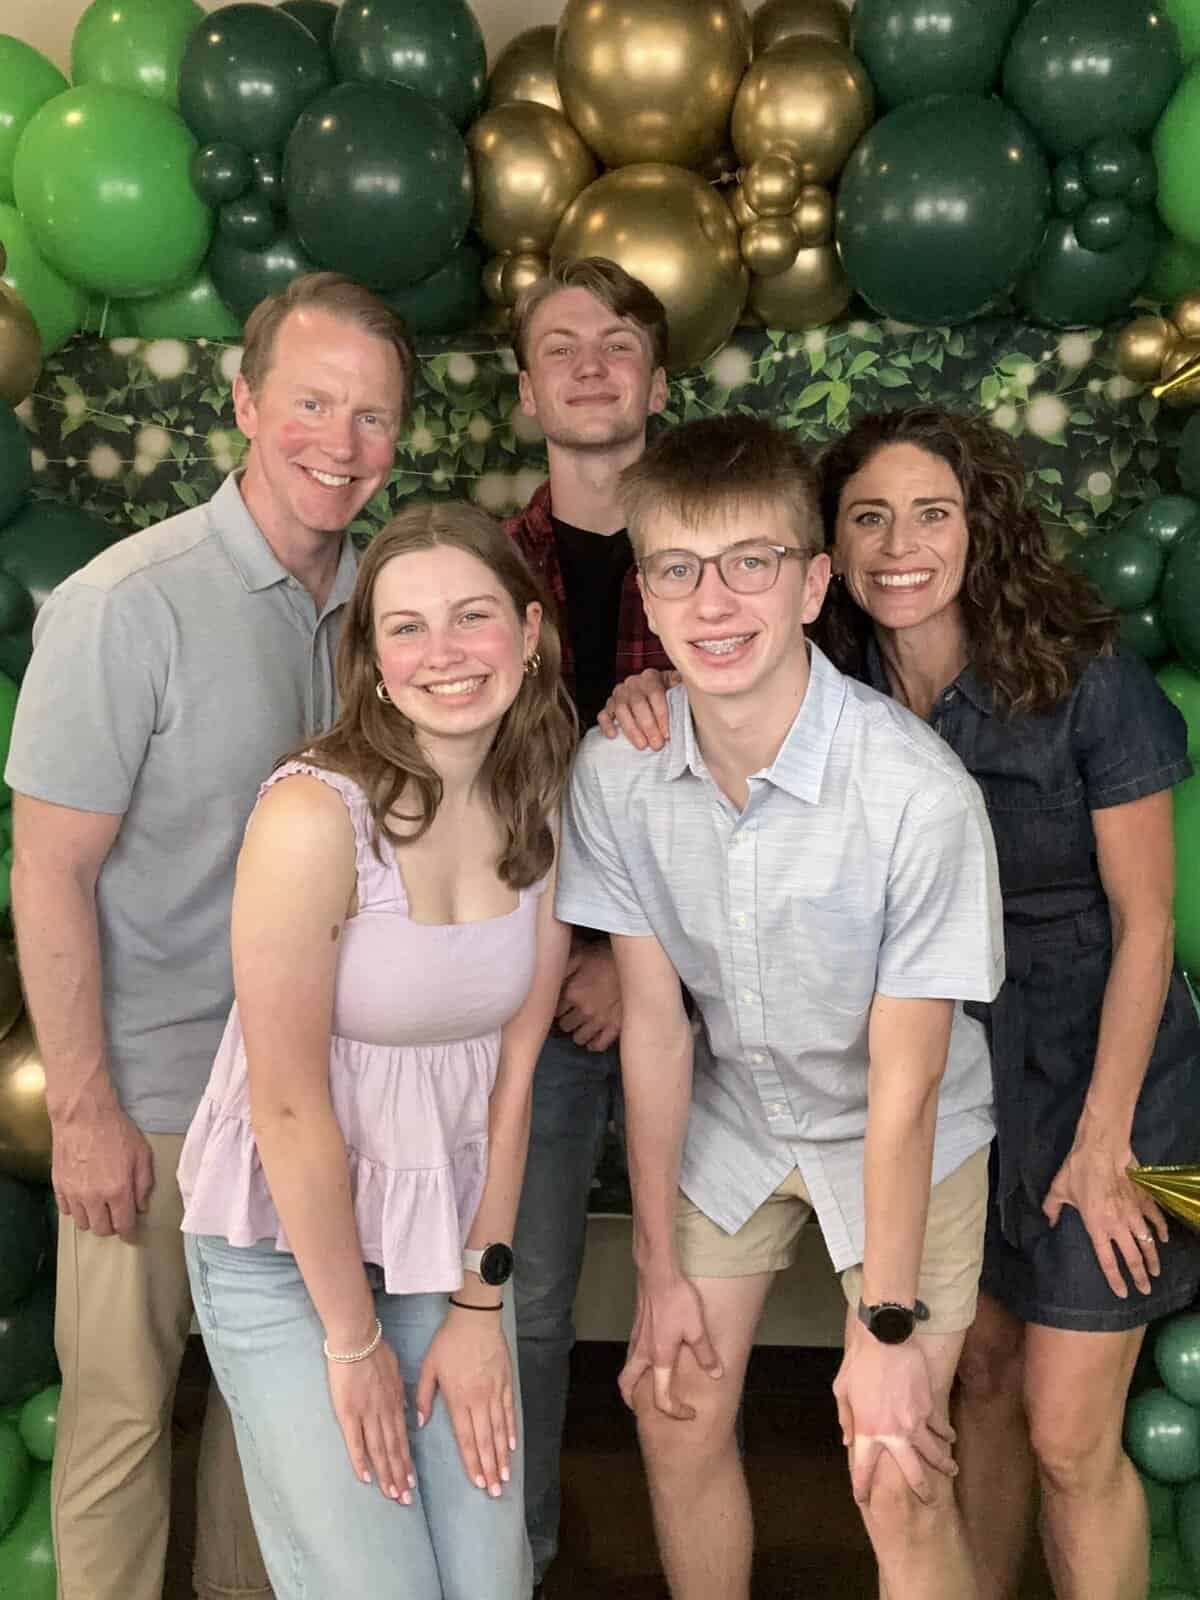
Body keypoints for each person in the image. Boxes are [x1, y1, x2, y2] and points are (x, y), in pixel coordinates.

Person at [5, 272, 414, 1600]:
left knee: (278, 1439)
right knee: (124, 1423)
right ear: (244, 401)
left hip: (319, 1106)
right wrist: (83, 1110)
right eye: (309, 402)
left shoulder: (395, 614)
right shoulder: (128, 603)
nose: (338, 444)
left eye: (371, 416)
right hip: (162, 1101)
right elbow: (51, 875)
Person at [560, 413, 1005, 1600]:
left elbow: (905, 1088)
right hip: (740, 1114)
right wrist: (655, 1266)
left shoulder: (917, 794)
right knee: (669, 1397)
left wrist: (892, 1331)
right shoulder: (616, 774)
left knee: (896, 1462)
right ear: (646, 595)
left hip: (898, 1134)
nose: (714, 603)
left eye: (751, 562)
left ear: (813, 585)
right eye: (678, 567)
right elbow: (652, 1030)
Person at [816, 406, 1200, 1600]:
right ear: (830, 543)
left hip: (1108, 1077)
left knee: (1068, 1433)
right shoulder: (826, 685)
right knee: (977, 1380)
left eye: (933, 511)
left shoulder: (1087, 677)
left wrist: (1104, 1144)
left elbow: (1148, 928)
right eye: (868, 515)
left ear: (982, 525)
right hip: (945, 1086)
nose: (900, 544)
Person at [177, 501, 575, 1599]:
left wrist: (480, 1305)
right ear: (372, 657)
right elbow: (290, 1105)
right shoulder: (314, 816)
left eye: (473, 617)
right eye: (406, 628)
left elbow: (514, 1076)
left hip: (441, 1236)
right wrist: (350, 1347)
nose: (443, 654)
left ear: (529, 634)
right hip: (286, 1248)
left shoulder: (540, 799)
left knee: (490, 1582)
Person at [503, 255, 673, 1584]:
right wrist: (577, 960)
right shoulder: (485, 575)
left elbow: (764, 798)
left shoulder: (728, 561)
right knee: (528, 1308)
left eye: (617, 341)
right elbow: (469, 802)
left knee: (705, 1292)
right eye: (561, 345)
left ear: (657, 381)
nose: (591, 362)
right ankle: (520, 1556)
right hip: (536, 1004)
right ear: (525, 393)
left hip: (704, 1003)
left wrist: (633, 963)